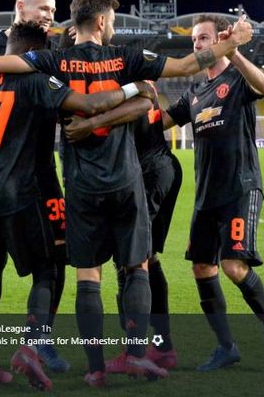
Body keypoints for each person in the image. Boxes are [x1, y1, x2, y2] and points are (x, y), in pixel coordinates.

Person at [0, 0, 252, 387]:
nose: (113, 25)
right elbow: (180, 68)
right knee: (134, 266)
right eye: (111, 19)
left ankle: (88, 366)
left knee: (83, 274)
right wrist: (230, 44)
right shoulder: (124, 59)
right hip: (121, 179)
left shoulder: (49, 61)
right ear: (99, 22)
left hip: (70, 185)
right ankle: (129, 353)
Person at [0, 21, 153, 390]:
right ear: (36, 53)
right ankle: (31, 345)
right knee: (47, 270)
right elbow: (90, 104)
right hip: (21, 193)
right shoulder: (36, 79)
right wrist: (134, 86)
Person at [162, 14, 264, 371]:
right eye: (195, 41)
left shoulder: (236, 79)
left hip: (240, 187)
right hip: (206, 196)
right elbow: (161, 122)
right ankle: (226, 346)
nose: (197, 45)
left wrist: (234, 52)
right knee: (202, 267)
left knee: (233, 265)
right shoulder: (194, 93)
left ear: (219, 41)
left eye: (203, 38)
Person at [0, 0, 70, 375]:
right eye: (44, 9)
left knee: (56, 261)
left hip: (42, 175)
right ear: (21, 6)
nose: (50, 16)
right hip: (7, 174)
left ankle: (39, 342)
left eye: (53, 11)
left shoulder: (51, 50)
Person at [65, 80, 183, 372]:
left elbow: (144, 101)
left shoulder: (118, 82)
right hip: (152, 169)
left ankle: (140, 349)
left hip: (148, 171)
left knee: (133, 258)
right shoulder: (125, 80)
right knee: (144, 256)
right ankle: (157, 346)